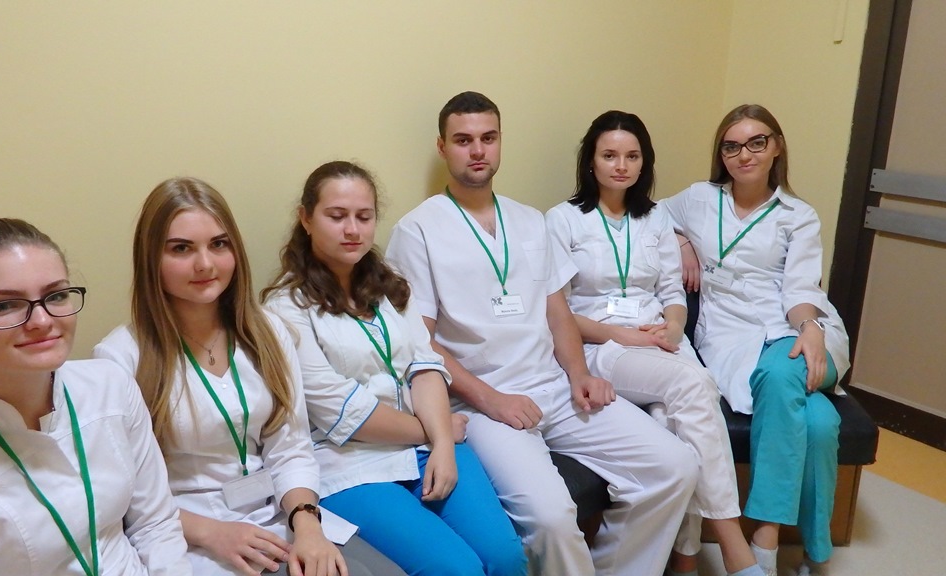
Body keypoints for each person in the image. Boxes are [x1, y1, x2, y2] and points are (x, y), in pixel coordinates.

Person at [385, 91, 699, 576]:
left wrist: (579, 375)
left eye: (488, 138)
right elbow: (418, 343)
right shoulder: (417, 230)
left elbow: (558, 313)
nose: (478, 150)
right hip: (482, 403)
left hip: (554, 386)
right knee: (552, 517)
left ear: (500, 142)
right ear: (443, 147)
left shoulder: (530, 221)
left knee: (676, 466)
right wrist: (491, 400)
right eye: (463, 140)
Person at [93, 177, 404, 576]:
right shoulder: (120, 359)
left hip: (280, 512)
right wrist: (213, 533)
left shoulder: (268, 331)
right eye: (181, 248)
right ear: (150, 257)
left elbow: (290, 446)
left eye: (218, 244)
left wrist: (307, 524)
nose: (205, 264)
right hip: (190, 533)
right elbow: (127, 494)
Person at [264, 161, 527, 576]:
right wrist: (437, 431)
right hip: (352, 463)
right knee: (457, 569)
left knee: (506, 556)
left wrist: (442, 445)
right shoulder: (285, 308)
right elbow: (340, 411)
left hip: (428, 446)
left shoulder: (388, 285)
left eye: (364, 217)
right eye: (337, 216)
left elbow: (425, 365)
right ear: (306, 219)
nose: (352, 229)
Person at [545, 110, 763, 576]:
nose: (621, 165)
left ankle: (684, 557)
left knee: (673, 422)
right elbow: (557, 311)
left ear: (644, 162)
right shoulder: (563, 220)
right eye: (609, 155)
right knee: (696, 386)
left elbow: (671, 291)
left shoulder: (656, 216)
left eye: (632, 156)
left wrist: (675, 327)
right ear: (590, 161)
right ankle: (732, 543)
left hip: (660, 340)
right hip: (603, 346)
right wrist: (618, 333)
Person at [0, 217, 191, 575]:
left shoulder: (111, 386)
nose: (41, 320)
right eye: (3, 306)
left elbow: (156, 524)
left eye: (56, 296)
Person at [662, 104, 851, 576]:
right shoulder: (699, 198)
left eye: (756, 142)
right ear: (721, 154)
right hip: (731, 334)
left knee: (780, 372)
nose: (743, 154)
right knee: (819, 424)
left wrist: (810, 329)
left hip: (797, 325)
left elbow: (801, 287)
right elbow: (651, 215)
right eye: (731, 146)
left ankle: (764, 537)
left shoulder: (798, 215)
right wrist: (683, 242)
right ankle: (817, 551)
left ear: (776, 147)